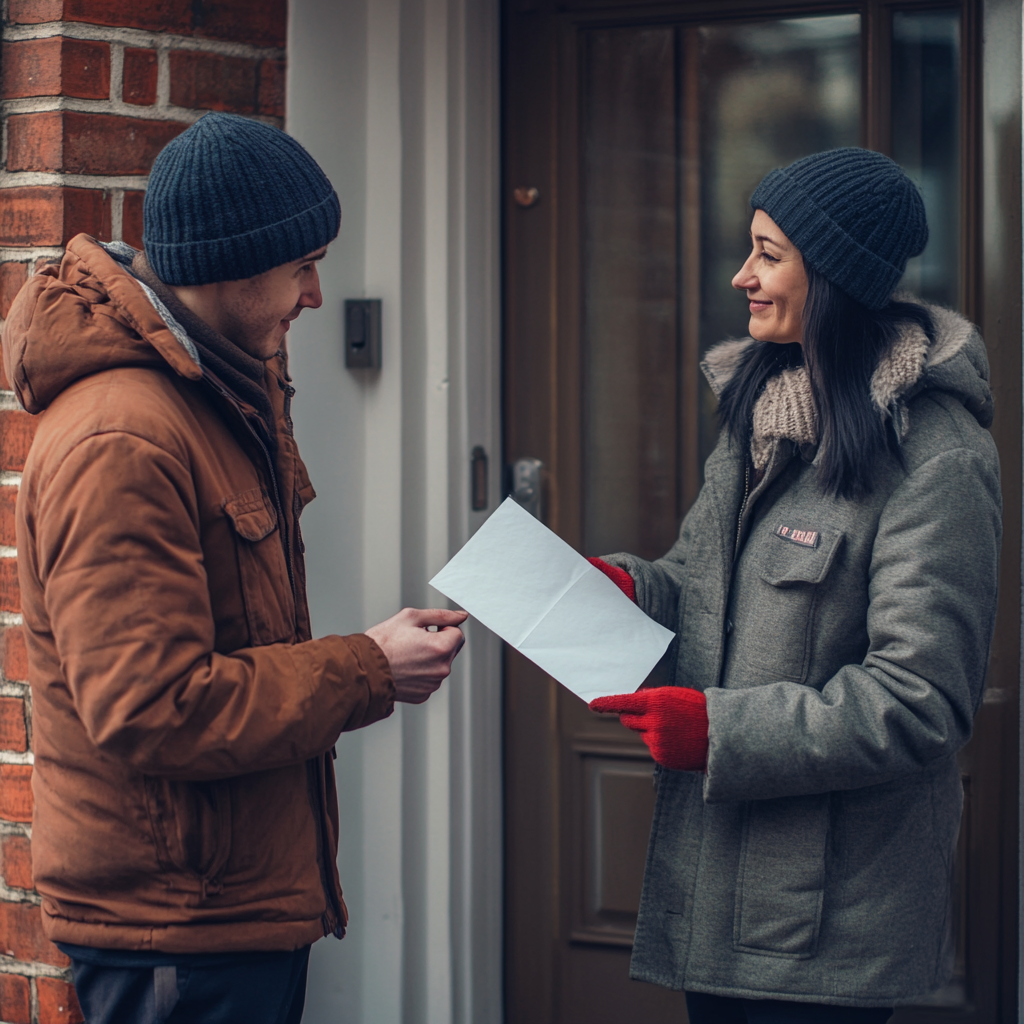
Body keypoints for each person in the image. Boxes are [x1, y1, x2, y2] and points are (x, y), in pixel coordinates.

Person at [1, 112, 467, 1024]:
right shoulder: (125, 436)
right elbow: (152, 706)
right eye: (303, 266)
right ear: (234, 264)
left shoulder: (210, 395)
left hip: (221, 910)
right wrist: (369, 668)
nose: (316, 295)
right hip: (175, 930)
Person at [589, 148, 1001, 1022]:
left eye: (769, 254)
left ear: (836, 275)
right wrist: (622, 587)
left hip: (824, 927)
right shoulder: (763, 415)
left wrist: (718, 729)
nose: (743, 275)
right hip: (715, 895)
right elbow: (698, 587)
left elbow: (922, 698)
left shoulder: (937, 457)